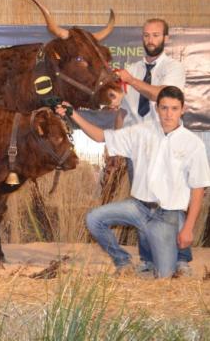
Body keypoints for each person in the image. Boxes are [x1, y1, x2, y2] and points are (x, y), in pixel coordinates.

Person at [57, 86, 210, 278]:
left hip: (166, 214)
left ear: (183, 109)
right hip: (138, 207)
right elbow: (100, 136)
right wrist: (73, 115)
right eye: (164, 108)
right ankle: (123, 262)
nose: (168, 114)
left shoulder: (193, 144)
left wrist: (188, 229)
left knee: (164, 275)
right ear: (157, 108)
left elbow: (198, 188)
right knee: (94, 219)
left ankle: (176, 258)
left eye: (174, 108)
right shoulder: (141, 132)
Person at [114, 18, 193, 275]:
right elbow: (123, 112)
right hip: (139, 146)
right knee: (143, 205)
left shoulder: (174, 68)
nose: (150, 40)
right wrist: (116, 145)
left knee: (172, 202)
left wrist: (132, 82)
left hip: (167, 142)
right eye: (146, 35)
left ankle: (181, 260)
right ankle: (148, 261)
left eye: (156, 35)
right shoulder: (132, 68)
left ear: (165, 39)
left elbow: (164, 96)